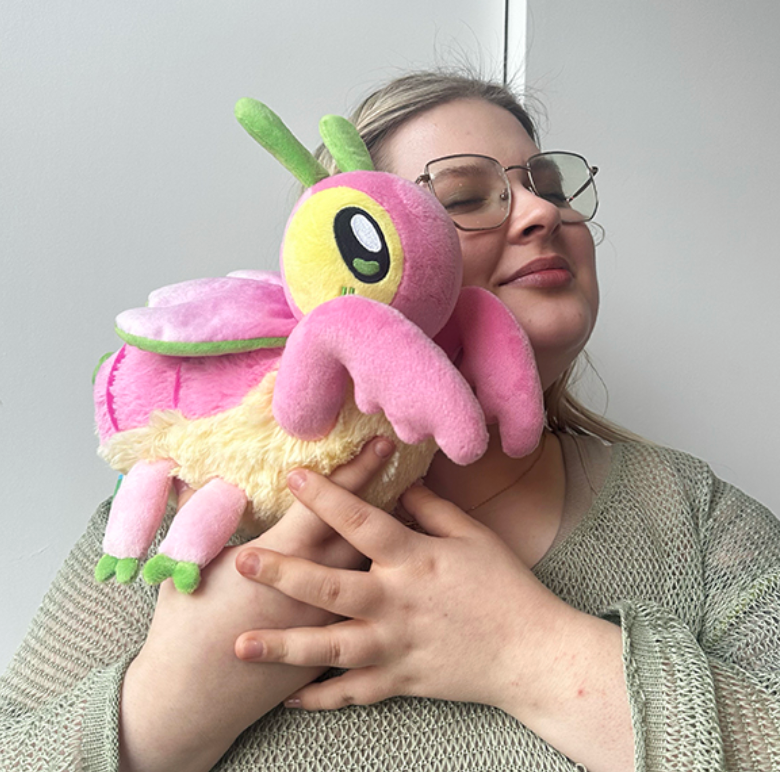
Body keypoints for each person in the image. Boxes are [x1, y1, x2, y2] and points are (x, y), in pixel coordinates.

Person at [1, 70, 779, 772]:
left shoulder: (692, 517)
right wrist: (166, 711)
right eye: (463, 198)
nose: (543, 210)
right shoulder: (184, 511)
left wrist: (531, 654)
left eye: (548, 185)